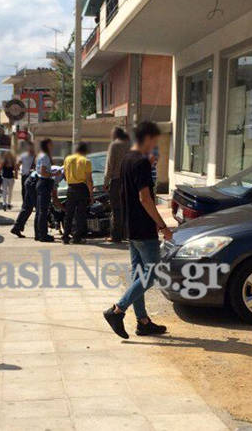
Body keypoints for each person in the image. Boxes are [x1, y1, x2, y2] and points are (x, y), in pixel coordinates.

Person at [103, 121, 172, 339]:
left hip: (131, 227)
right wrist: (163, 225)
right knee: (152, 274)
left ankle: (143, 322)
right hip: (143, 228)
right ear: (148, 138)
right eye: (155, 141)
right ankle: (117, 310)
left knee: (138, 275)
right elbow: (145, 198)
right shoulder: (140, 162)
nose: (155, 146)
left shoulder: (127, 159)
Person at [10, 165, 64, 238]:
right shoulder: (59, 174)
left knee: (27, 207)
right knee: (40, 209)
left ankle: (17, 227)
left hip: (30, 181)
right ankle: (39, 234)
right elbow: (54, 196)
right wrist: (63, 208)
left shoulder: (59, 169)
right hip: (35, 183)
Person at [62, 142, 93, 244]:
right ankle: (77, 237)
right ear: (85, 150)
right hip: (82, 188)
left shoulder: (67, 159)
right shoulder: (86, 161)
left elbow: (65, 175)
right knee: (80, 214)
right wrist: (91, 195)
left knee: (69, 214)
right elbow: (89, 180)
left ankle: (65, 236)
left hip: (71, 188)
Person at [104, 126, 130, 243]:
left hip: (117, 181)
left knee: (116, 209)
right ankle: (126, 234)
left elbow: (110, 165)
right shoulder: (130, 145)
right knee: (127, 208)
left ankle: (116, 235)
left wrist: (106, 182)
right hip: (129, 181)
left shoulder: (114, 145)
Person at [34, 139, 55, 242]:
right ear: (47, 145)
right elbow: (43, 172)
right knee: (43, 211)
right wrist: (54, 174)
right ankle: (43, 235)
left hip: (40, 182)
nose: (52, 146)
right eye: (51, 144)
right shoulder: (45, 156)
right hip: (44, 182)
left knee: (39, 210)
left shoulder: (39, 155)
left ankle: (38, 234)